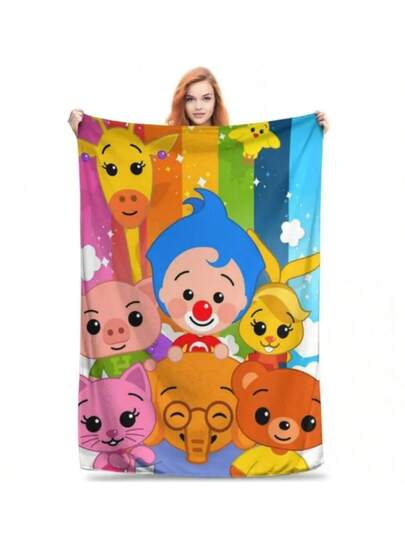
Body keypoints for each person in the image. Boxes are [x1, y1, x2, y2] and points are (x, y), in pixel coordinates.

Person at [67, 66, 329, 134]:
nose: (199, 106)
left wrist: (314, 133)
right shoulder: (168, 139)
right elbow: (125, 151)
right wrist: (83, 131)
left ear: (216, 101)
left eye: (206, 98)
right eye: (191, 99)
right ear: (182, 103)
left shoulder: (232, 141)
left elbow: (273, 157)